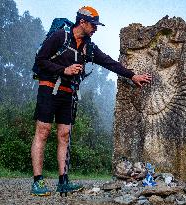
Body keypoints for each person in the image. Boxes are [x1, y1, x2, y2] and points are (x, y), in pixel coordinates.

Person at [31, 6, 152, 196]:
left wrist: (132, 75)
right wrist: (64, 70)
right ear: (82, 22)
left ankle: (63, 181)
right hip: (48, 88)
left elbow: (109, 62)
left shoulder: (89, 47)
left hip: (69, 93)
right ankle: (37, 181)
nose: (95, 29)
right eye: (93, 25)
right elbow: (40, 60)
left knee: (64, 135)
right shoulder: (60, 37)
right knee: (43, 131)